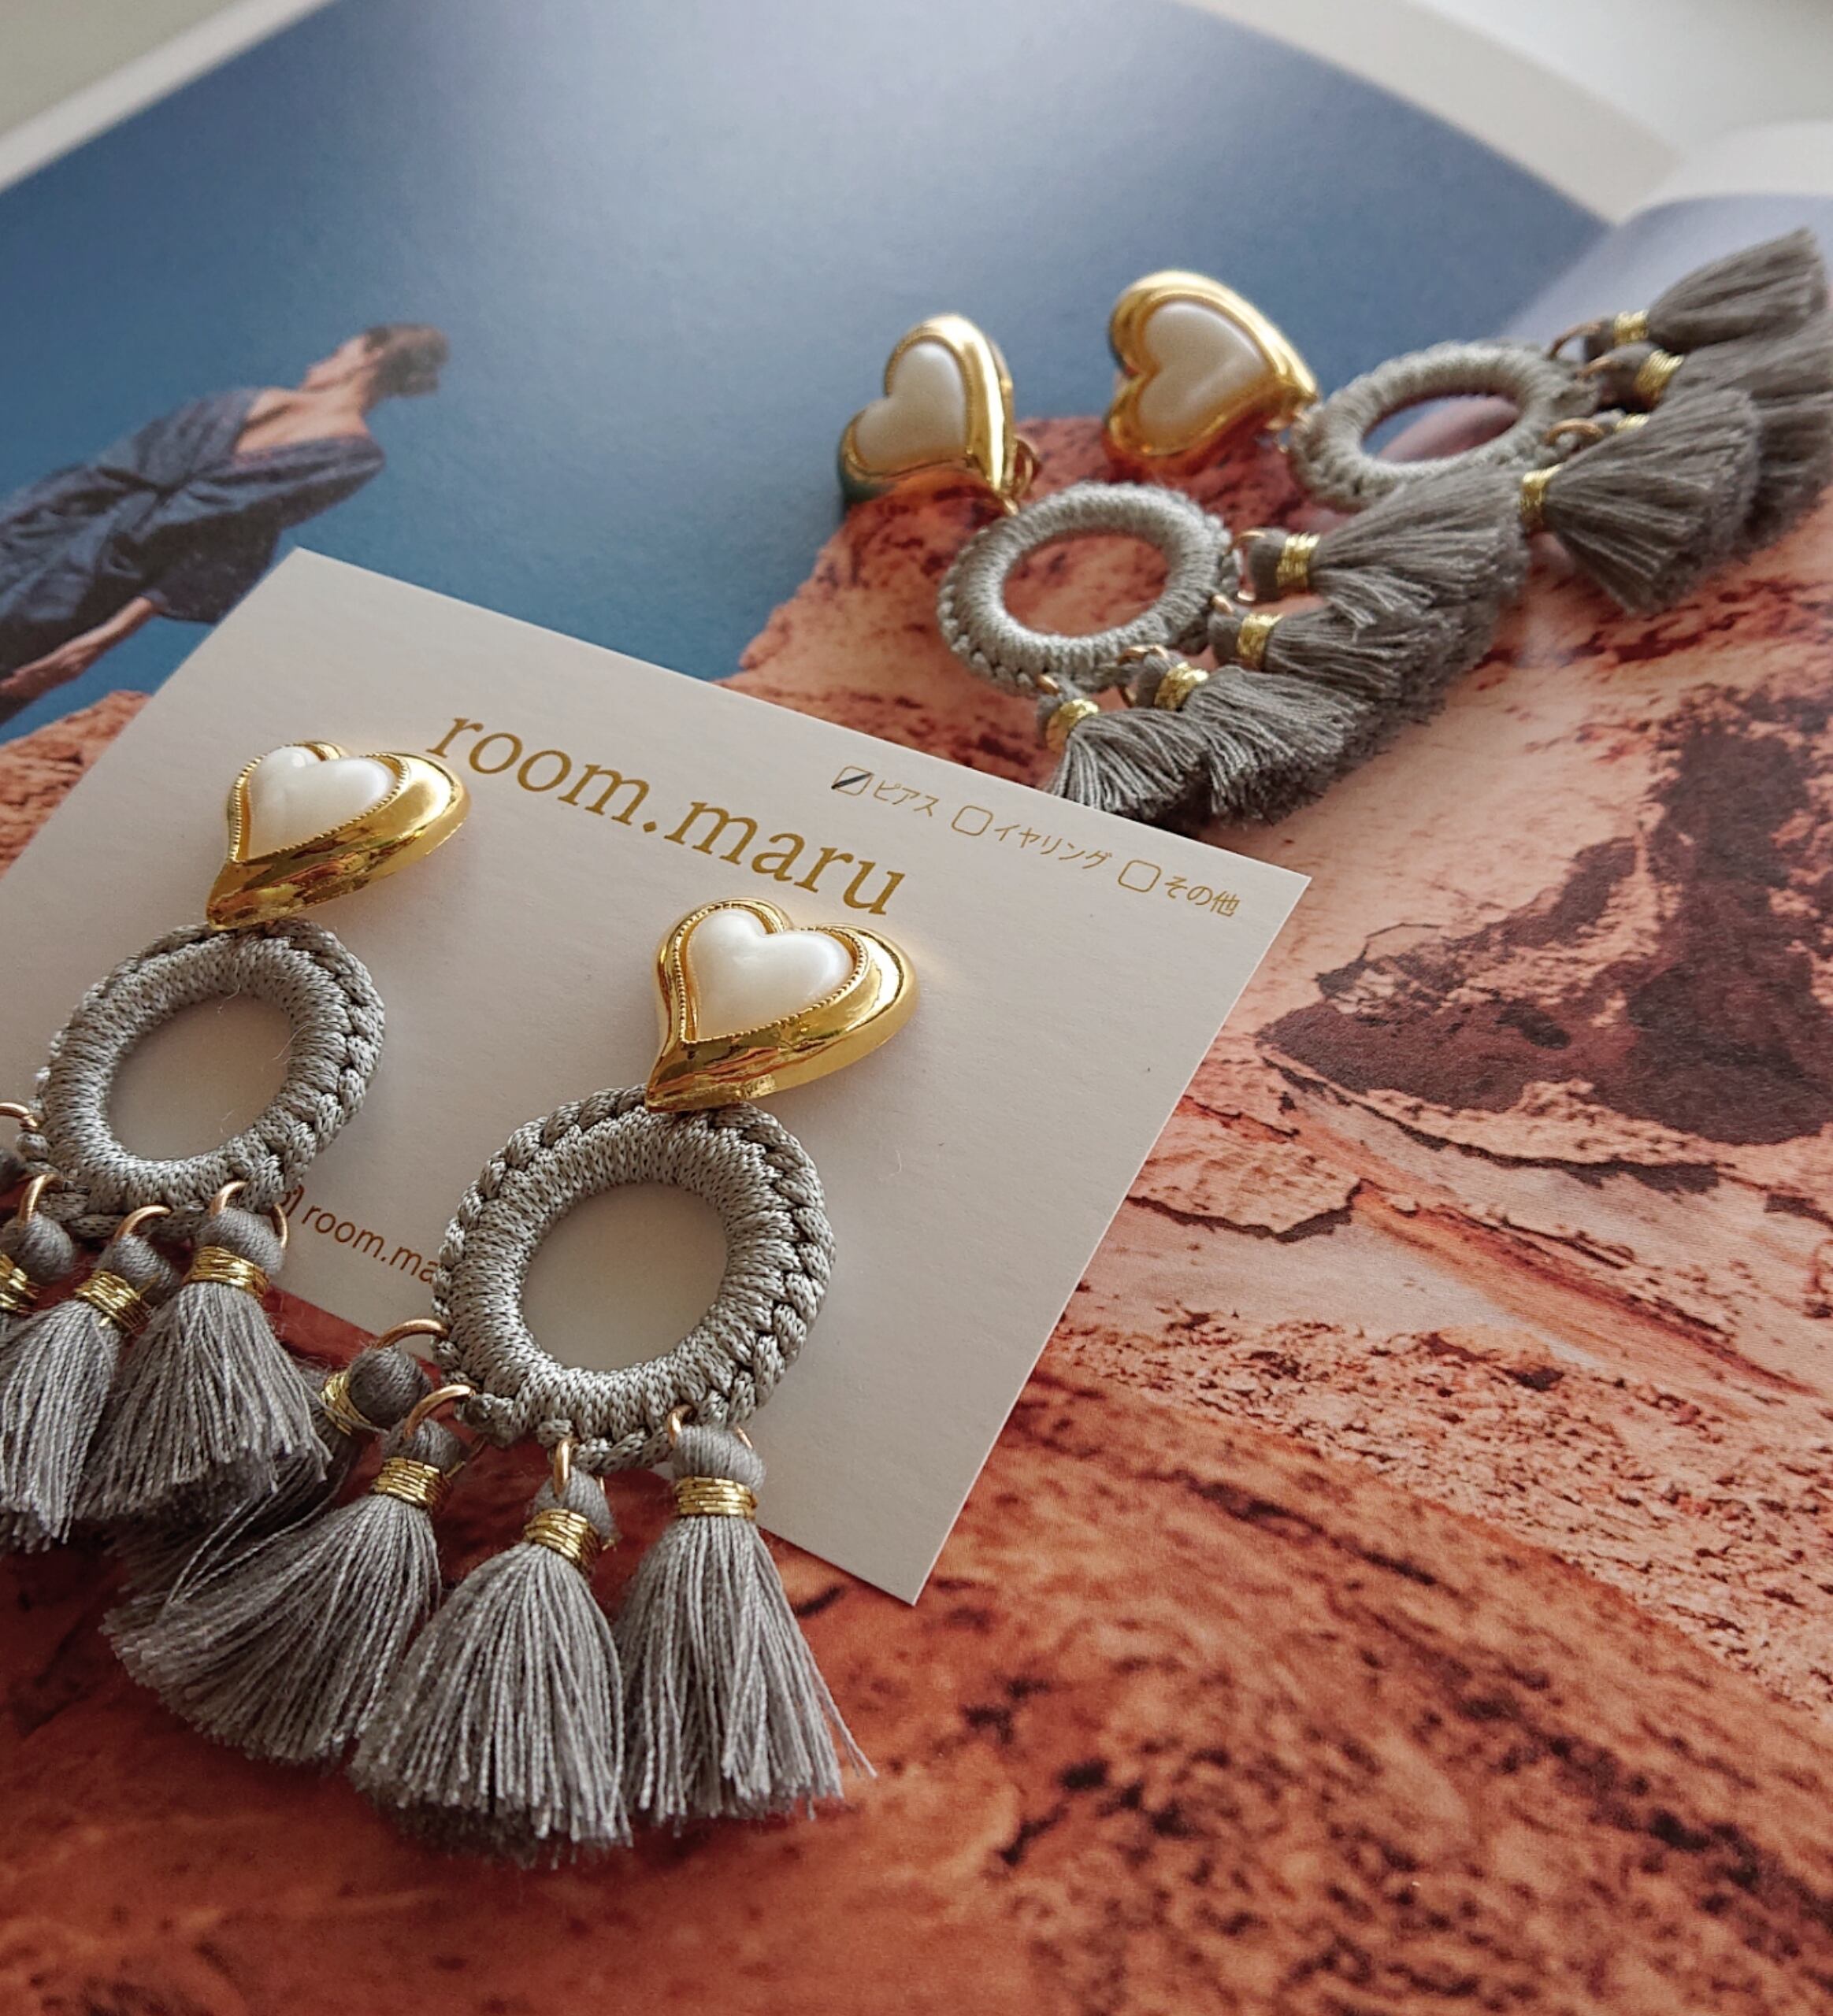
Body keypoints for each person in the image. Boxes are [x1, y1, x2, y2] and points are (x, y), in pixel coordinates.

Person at [0, 322, 447, 722]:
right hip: (78, 570)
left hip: (69, 561)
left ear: (371, 356)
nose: (316, 364)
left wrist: (101, 637)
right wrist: (105, 637)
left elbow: (232, 541)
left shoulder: (327, 445)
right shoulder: (334, 447)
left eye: (336, 353)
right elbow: (228, 543)